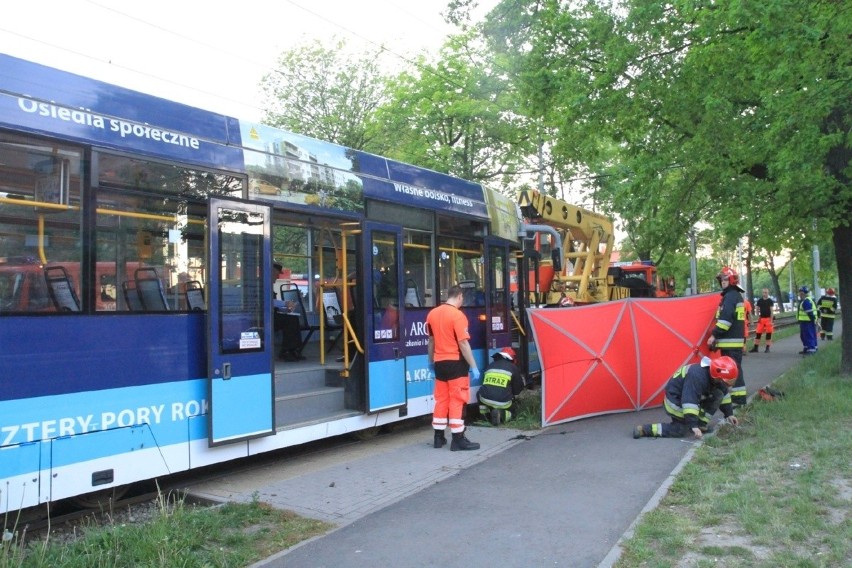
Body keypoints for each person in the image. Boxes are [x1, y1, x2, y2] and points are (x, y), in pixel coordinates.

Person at [426, 285, 480, 451]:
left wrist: (431, 361)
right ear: (459, 296)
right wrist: (474, 366)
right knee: (457, 399)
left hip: (439, 363)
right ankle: (458, 439)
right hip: (456, 363)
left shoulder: (432, 314)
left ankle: (438, 437)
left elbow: (431, 341)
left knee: (441, 399)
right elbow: (463, 343)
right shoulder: (458, 315)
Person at [633, 356, 740, 439]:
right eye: (728, 382)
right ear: (717, 377)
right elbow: (689, 402)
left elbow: (724, 394)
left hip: (687, 397)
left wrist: (729, 414)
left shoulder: (715, 376)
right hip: (675, 401)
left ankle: (701, 424)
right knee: (679, 430)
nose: (729, 385)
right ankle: (645, 430)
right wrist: (692, 425)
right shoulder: (697, 376)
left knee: (718, 394)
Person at [706, 266, 746, 407]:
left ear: (731, 280)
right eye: (720, 280)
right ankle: (737, 398)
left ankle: (739, 400)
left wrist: (714, 335)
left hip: (731, 342)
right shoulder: (735, 296)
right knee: (735, 369)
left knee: (734, 371)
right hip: (733, 341)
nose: (722, 282)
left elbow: (725, 320)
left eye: (724, 279)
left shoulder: (730, 297)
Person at [477, 347, 527, 426]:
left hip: (484, 399)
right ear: (512, 359)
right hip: (503, 402)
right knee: (512, 411)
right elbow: (517, 390)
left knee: (480, 393)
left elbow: (485, 384)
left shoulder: (490, 366)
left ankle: (484, 416)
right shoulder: (513, 368)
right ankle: (502, 414)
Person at [273, 262, 305, 362]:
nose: (278, 276)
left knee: (292, 318)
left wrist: (285, 309)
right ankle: (287, 350)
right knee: (290, 320)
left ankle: (292, 349)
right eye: (277, 273)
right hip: (264, 318)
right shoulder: (262, 284)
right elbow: (267, 302)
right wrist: (285, 303)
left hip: (271, 315)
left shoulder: (269, 284)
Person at [750, 288, 775, 353]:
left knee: (768, 334)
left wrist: (771, 320)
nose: (765, 294)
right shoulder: (760, 301)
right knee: (758, 333)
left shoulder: (770, 301)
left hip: (768, 319)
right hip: (761, 319)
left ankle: (767, 348)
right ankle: (756, 347)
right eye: (764, 292)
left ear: (768, 293)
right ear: (762, 293)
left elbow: (772, 311)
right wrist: (758, 317)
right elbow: (757, 308)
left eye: (766, 292)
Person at [796, 286, 818, 355]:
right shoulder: (807, 300)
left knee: (809, 335)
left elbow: (809, 312)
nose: (799, 294)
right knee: (804, 336)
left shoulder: (806, 301)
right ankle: (807, 348)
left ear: (803, 293)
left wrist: (813, 320)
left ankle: (811, 350)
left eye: (800, 293)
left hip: (807, 321)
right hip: (806, 321)